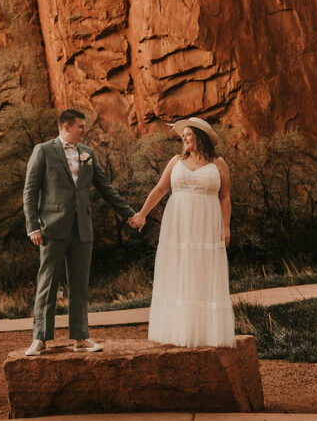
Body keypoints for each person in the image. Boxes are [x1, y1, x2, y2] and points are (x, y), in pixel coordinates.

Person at [23, 108, 135, 356]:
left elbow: (106, 188)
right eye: (81, 126)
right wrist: (33, 227)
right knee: (47, 284)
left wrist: (129, 214)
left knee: (80, 285)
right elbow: (30, 192)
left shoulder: (88, 153)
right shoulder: (42, 150)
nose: (85, 130)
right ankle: (40, 339)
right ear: (66, 127)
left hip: (82, 228)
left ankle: (81, 338)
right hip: (51, 228)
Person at [129, 117, 235, 347]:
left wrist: (226, 227)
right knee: (180, 269)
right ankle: (179, 330)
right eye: (183, 135)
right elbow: (159, 189)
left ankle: (205, 332)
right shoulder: (176, 161)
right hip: (178, 223)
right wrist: (142, 213)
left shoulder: (218, 163)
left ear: (200, 136)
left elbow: (225, 197)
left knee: (202, 270)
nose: (184, 138)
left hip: (208, 223)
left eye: (188, 134)